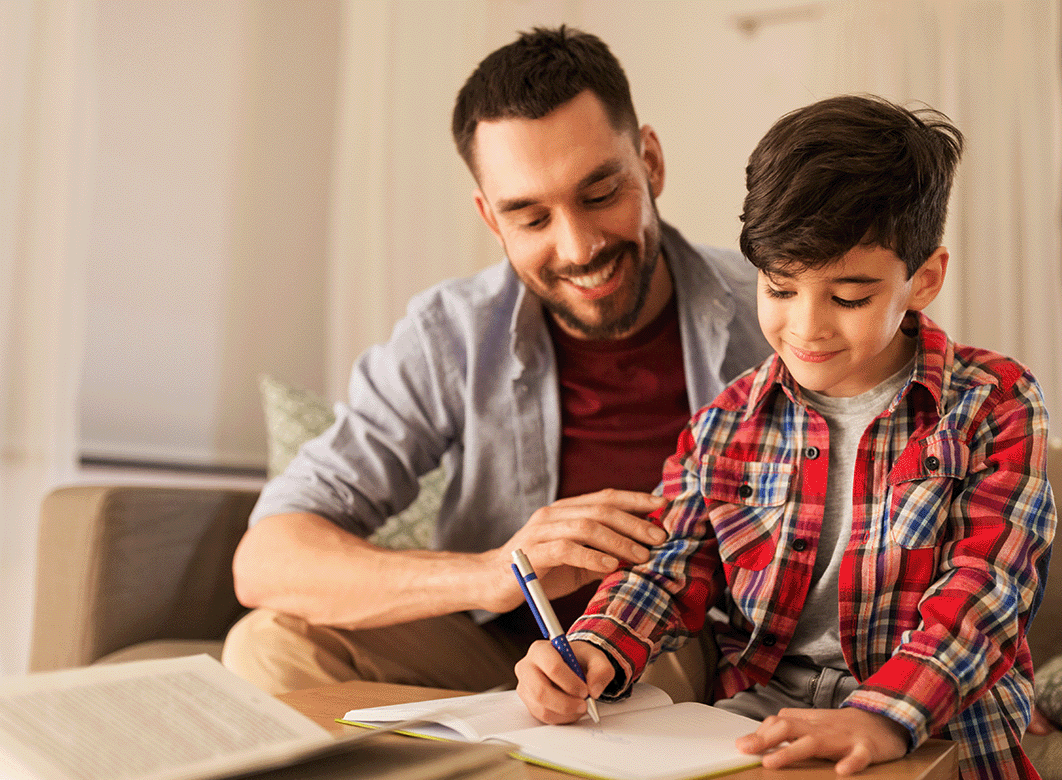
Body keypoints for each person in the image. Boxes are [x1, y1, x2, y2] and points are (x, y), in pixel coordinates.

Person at [514, 95, 1056, 779]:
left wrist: (883, 714)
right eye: (780, 288)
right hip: (758, 728)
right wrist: (594, 646)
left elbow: (987, 590)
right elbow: (667, 566)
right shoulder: (724, 426)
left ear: (923, 280)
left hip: (936, 726)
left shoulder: (994, 404)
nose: (808, 327)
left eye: (849, 297)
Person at [222, 26, 769, 698]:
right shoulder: (450, 335)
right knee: (269, 645)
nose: (578, 247)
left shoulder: (777, 313)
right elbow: (269, 559)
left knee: (671, 667)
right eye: (531, 217)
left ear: (649, 162)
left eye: (599, 194)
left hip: (680, 650)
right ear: (491, 218)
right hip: (501, 653)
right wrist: (498, 573)